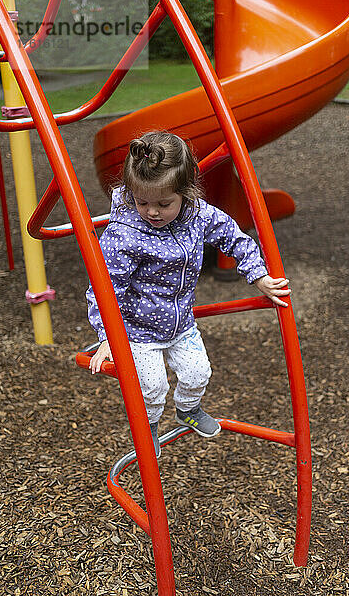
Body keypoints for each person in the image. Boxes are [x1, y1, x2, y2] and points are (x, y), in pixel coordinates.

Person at [86, 131, 291, 457]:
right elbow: (105, 289)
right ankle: (148, 428)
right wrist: (108, 335)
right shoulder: (124, 235)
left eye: (163, 203)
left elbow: (232, 235)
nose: (152, 212)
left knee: (199, 373)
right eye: (142, 202)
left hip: (181, 324)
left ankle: (187, 410)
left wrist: (259, 275)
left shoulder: (197, 215)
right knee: (152, 389)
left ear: (186, 193)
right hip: (138, 331)